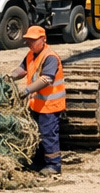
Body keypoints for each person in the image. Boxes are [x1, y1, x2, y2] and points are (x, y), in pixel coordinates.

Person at [9, 25, 66, 175]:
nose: (30, 43)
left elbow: (46, 79)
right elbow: (22, 70)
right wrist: (9, 78)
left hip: (50, 105)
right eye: (28, 40)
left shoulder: (50, 57)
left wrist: (26, 90)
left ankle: (54, 165)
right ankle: (39, 162)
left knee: (48, 134)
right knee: (37, 133)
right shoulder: (30, 55)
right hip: (37, 105)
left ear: (43, 39)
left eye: (33, 40)